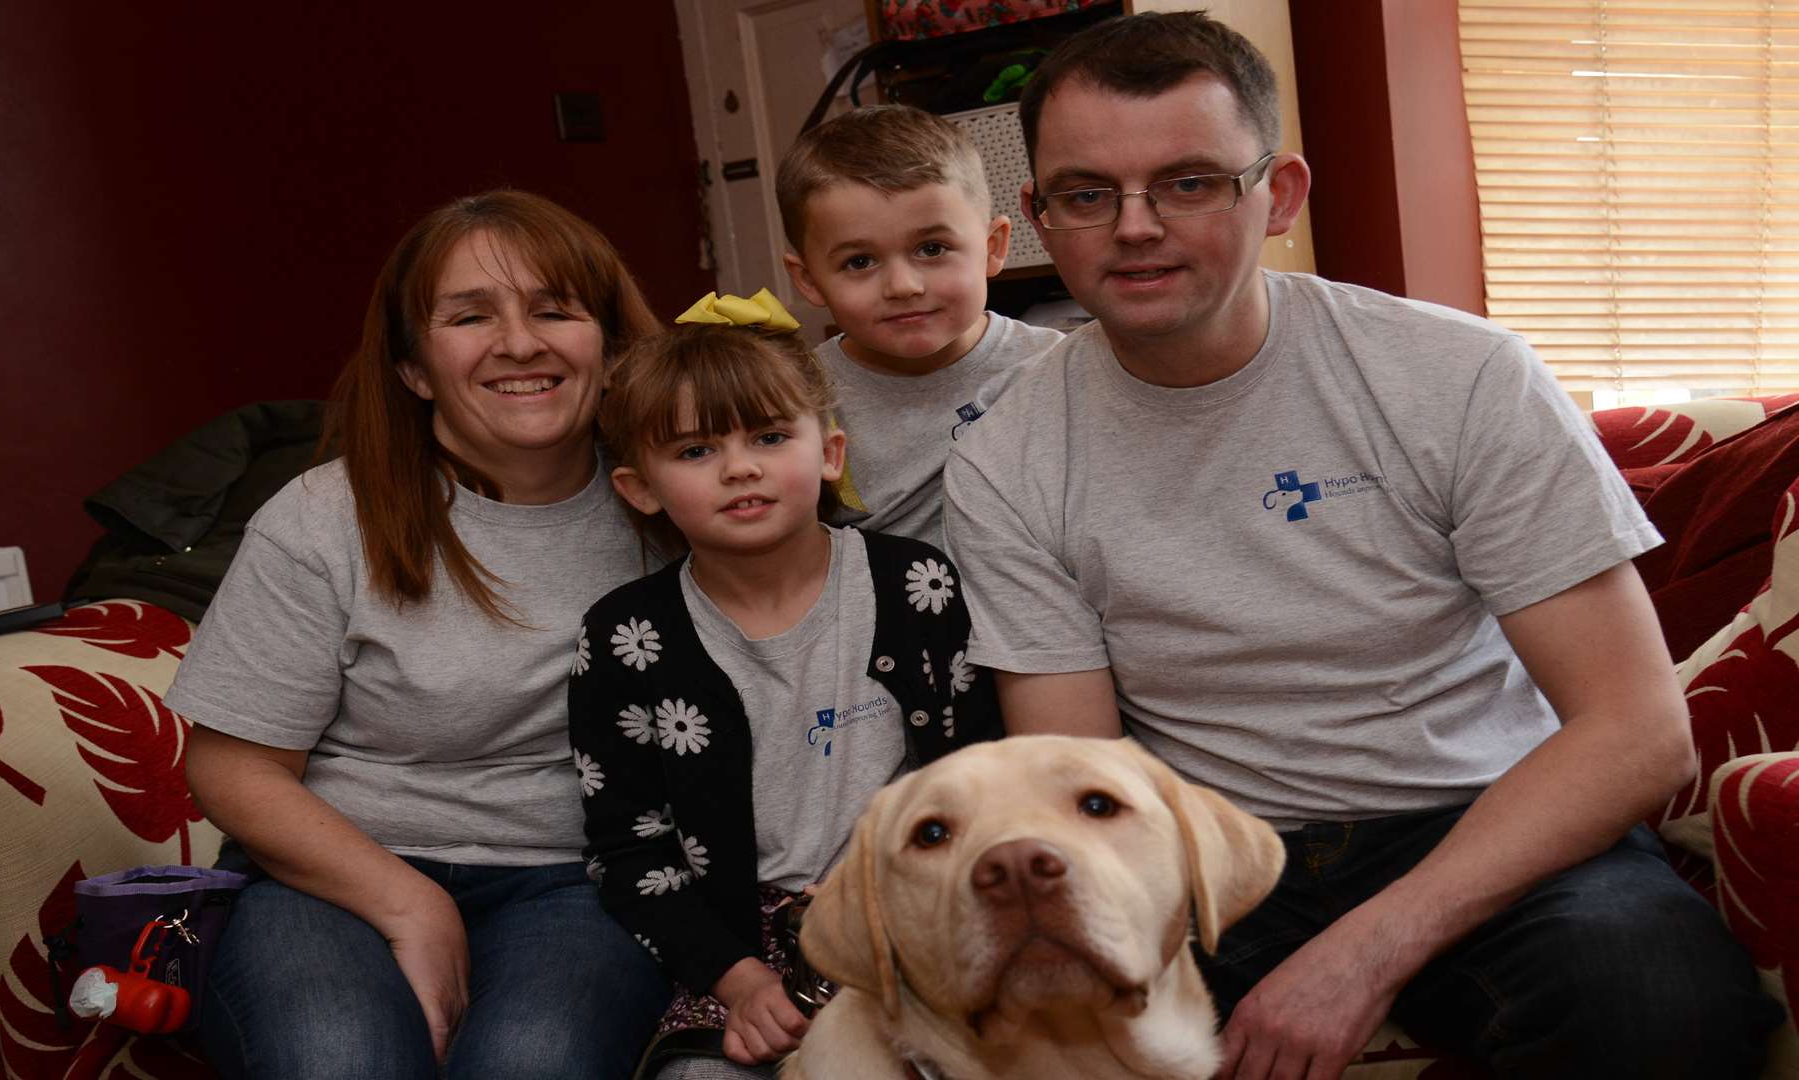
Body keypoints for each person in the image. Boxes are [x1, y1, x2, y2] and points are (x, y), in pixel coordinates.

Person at [942, 12, 1784, 1079]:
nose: (1135, 226)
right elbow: (1082, 775)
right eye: (1087, 193)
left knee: (1662, 1006)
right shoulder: (1007, 453)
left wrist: (1361, 953)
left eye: (1190, 182)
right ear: (1040, 216)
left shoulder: (1459, 377)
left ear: (1279, 195)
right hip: (1209, 851)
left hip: (1486, 818)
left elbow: (1635, 732)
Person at [167, 190, 673, 1079]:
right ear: (413, 367)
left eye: (556, 309)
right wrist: (409, 904)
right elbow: (232, 765)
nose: (520, 343)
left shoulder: (679, 502)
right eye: (470, 316)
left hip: (580, 880)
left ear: (612, 342)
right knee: (339, 1062)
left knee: (531, 1064)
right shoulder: (323, 519)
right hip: (331, 875)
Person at [571, 302, 999, 1078]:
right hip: (743, 953)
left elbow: (980, 772)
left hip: (915, 922)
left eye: (770, 437)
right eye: (697, 450)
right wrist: (739, 981)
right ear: (640, 489)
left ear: (830, 451)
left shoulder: (915, 586)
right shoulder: (625, 638)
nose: (741, 467)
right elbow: (630, 851)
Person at [775, 104, 1063, 549]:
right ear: (808, 279)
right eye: (859, 261)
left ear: (993, 247)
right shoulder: (794, 396)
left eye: (932, 248)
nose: (903, 286)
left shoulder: (1057, 367)